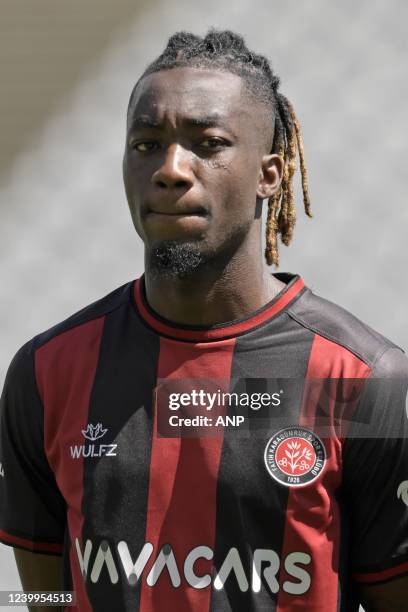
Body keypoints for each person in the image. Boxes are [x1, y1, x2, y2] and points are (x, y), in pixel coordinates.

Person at [0, 29, 407, 612]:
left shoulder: (365, 381)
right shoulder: (46, 372)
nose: (171, 169)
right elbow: (41, 596)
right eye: (145, 144)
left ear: (270, 172)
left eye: (208, 143)